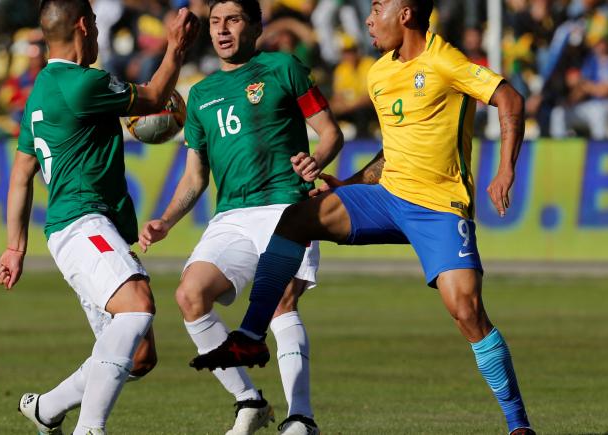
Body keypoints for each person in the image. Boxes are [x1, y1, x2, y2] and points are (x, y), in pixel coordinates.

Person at [191, 1, 536, 434]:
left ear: (405, 13)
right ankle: (252, 335)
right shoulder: (379, 74)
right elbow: (391, 153)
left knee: (466, 311)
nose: (368, 21)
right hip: (387, 196)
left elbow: (510, 99)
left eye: (376, 9)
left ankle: (518, 424)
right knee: (297, 218)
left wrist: (505, 170)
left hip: (439, 207)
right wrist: (349, 184)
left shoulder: (445, 61)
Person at [138, 0, 343, 433]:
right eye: (215, 22)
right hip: (231, 215)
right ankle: (249, 400)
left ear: (254, 26)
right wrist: (167, 220)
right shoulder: (201, 94)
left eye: (232, 20)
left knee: (280, 303)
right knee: (190, 296)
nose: (222, 30)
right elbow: (196, 175)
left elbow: (330, 133)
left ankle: (301, 418)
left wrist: (315, 160)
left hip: (287, 206)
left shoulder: (283, 67)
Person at [0, 1, 198, 434]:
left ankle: (47, 408)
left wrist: (15, 246)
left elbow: (20, 176)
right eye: (98, 26)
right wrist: (176, 48)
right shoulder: (84, 83)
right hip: (83, 222)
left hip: (76, 230)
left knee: (139, 356)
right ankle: (90, 429)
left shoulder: (40, 94)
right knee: (138, 306)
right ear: (85, 26)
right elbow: (156, 97)